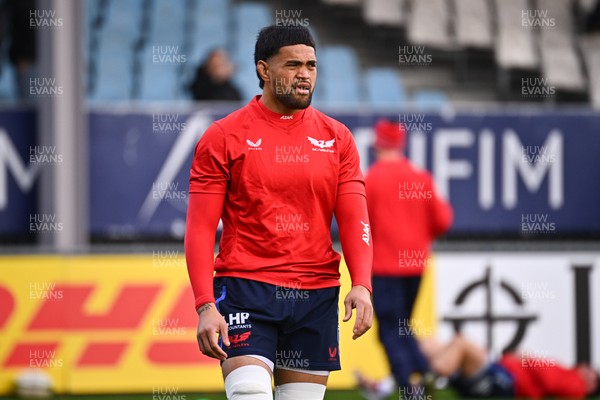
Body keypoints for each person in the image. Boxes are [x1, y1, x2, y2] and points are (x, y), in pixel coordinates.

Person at [185, 25, 373, 400]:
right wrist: (205, 305)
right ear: (263, 70)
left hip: (315, 296)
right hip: (245, 290)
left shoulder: (338, 139)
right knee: (249, 394)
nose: (304, 74)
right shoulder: (223, 136)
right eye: (292, 64)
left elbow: (355, 219)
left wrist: (362, 285)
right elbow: (201, 228)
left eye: (311, 65)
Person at [364, 119, 453, 390]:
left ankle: (410, 385)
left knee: (390, 329)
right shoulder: (420, 175)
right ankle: (424, 375)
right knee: (402, 325)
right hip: (415, 266)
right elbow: (444, 220)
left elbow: (359, 223)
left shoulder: (372, 178)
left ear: (378, 143)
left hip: (384, 268)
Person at [357, 335, 600, 399]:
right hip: (498, 369)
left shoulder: (576, 386)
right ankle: (389, 386)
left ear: (592, 384)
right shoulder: (570, 373)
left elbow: (547, 382)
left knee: (460, 343)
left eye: (594, 373)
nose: (588, 368)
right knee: (428, 344)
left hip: (505, 382)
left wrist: (525, 357)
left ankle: (420, 388)